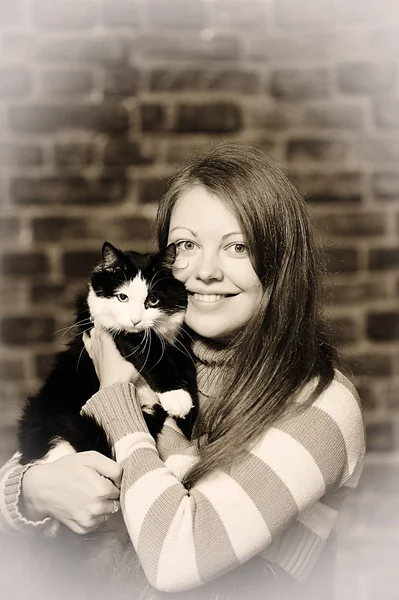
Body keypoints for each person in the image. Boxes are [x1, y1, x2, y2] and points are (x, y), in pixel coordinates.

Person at [0, 143, 365, 599]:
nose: (206, 272)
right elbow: (21, 477)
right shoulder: (159, 350)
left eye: (237, 247)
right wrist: (32, 491)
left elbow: (176, 557)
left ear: (280, 260)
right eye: (188, 244)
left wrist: (118, 396)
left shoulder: (321, 403)